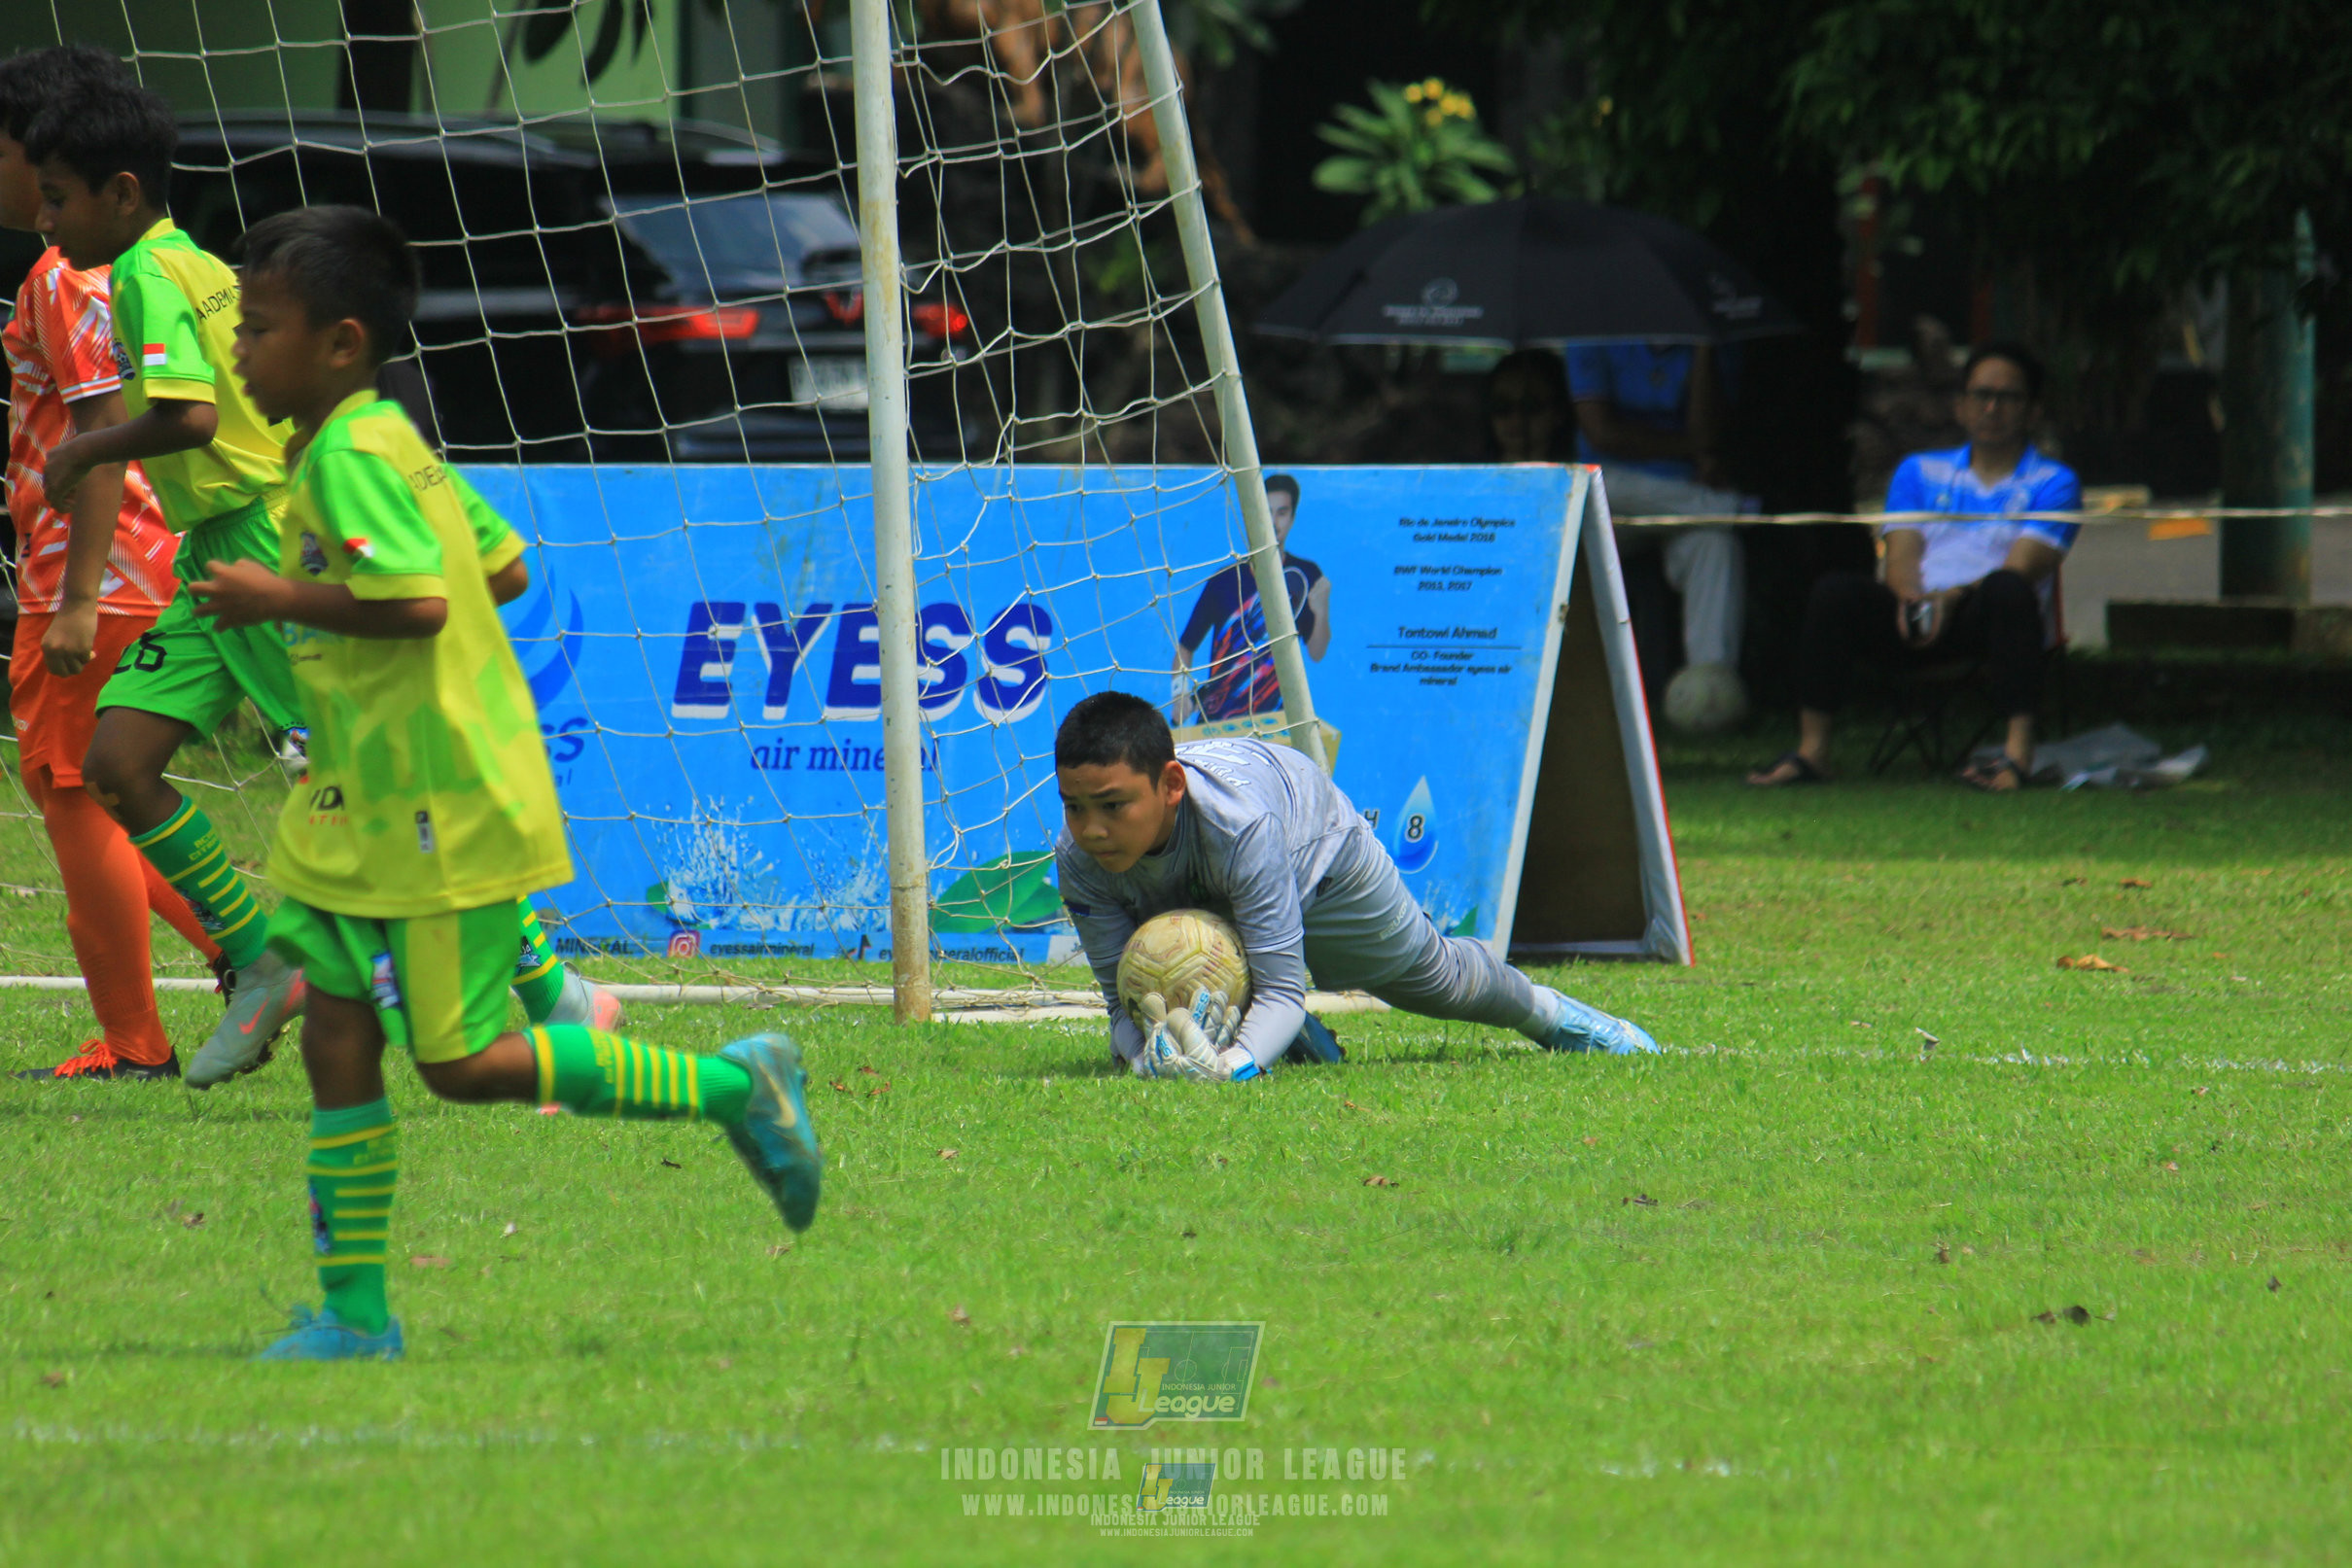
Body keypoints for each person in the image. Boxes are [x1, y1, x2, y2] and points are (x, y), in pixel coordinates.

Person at [188, 205, 821, 1361]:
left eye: (258, 327)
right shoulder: (385, 439)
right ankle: (355, 1315)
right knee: (335, 1030)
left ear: (337, 343)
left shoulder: (349, 457)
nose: (237, 349)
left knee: (463, 1064)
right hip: (360, 796)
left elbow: (424, 599)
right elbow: (506, 566)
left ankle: (735, 1088)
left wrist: (280, 599)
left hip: (438, 798)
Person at [25, 69, 617, 1087]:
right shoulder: (193, 265)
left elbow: (192, 418)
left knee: (371, 789)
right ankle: (260, 960)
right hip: (212, 558)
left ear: (121, 194)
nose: (44, 219)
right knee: (119, 756)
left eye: (56, 199)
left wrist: (83, 453)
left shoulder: (143, 277)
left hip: (255, 545)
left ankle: (551, 988)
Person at [1053, 691, 1658, 1081]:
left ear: (1172, 785)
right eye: (1075, 807)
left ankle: (1556, 1017)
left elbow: (1285, 992)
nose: (1094, 829)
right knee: (1181, 990)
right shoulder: (1077, 857)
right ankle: (1295, 1047)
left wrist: (1228, 1068)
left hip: (1322, 857)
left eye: (1112, 805)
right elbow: (1121, 1002)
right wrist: (1143, 1059)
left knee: (1434, 980)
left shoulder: (1243, 828)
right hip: (1229, 874)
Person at [0, 46, 222, 1081]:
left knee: (72, 787)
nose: (34, 204)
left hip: (93, 565)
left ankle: (141, 1034)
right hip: (127, 557)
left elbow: (96, 434)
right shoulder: (98, 271)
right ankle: (246, 958)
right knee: (94, 786)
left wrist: (78, 595)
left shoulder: (68, 279)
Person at [1746, 341, 2080, 793]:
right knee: (1835, 592)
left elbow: (2026, 566)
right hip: (1915, 611)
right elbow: (1901, 554)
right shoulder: (1918, 472)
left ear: (2033, 410)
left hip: (1986, 617)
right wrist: (1912, 602)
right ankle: (1812, 753)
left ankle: (2017, 757)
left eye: (2008, 397)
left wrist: (1952, 599)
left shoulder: (2054, 482)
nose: (1992, 407)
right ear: (1960, 406)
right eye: (1981, 395)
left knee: (2008, 590)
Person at [1560, 344, 1752, 703]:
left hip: (1680, 500)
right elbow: (1602, 434)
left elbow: (1707, 432)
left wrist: (1703, 351)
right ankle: (1734, 509)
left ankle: (1710, 693)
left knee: (1715, 544)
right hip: (1610, 494)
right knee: (1603, 491)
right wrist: (1691, 448)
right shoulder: (1592, 332)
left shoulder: (1705, 345)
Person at [1173, 473, 1328, 723]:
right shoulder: (1223, 580)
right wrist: (1180, 695)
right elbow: (1185, 648)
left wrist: (1321, 611)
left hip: (1275, 721)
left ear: (1292, 518)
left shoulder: (1308, 575)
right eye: (1267, 513)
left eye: (1282, 513)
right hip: (1217, 721)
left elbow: (1317, 652)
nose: (1274, 523)